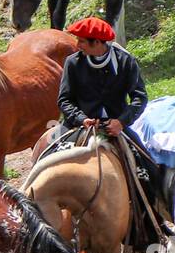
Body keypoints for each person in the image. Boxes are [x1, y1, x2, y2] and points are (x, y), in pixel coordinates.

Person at [54, 16, 164, 217]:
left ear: (97, 43)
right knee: (51, 162)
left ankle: (152, 222)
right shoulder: (72, 63)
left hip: (115, 126)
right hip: (79, 126)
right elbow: (64, 100)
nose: (77, 45)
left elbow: (139, 98)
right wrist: (81, 119)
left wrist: (121, 122)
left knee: (149, 170)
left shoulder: (125, 62)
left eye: (81, 41)